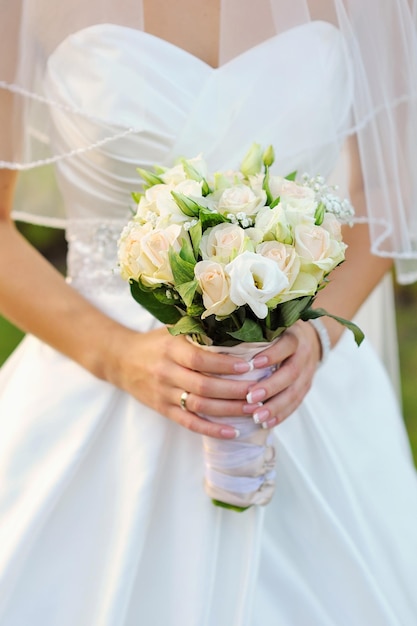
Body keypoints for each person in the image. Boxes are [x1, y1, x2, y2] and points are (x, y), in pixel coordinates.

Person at [0, 0, 417, 624]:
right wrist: (118, 356)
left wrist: (318, 334)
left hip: (302, 390)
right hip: (95, 393)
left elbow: (389, 189)